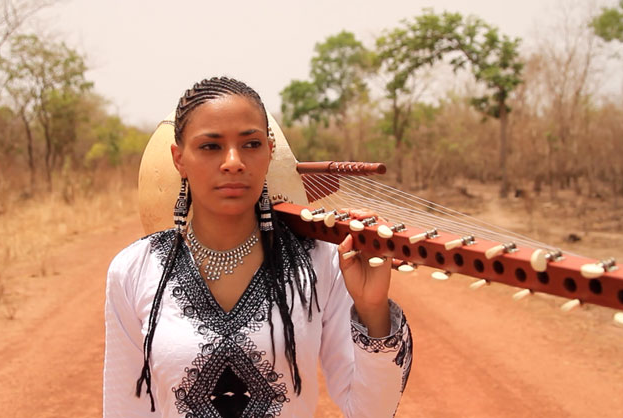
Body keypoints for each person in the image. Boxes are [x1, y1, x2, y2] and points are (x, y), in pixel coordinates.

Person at [103, 76, 412, 417]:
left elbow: (372, 411)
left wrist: (372, 310)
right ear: (179, 159)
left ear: (269, 151)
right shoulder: (135, 269)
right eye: (211, 146)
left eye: (250, 144)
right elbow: (124, 407)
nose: (233, 161)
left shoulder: (319, 261)